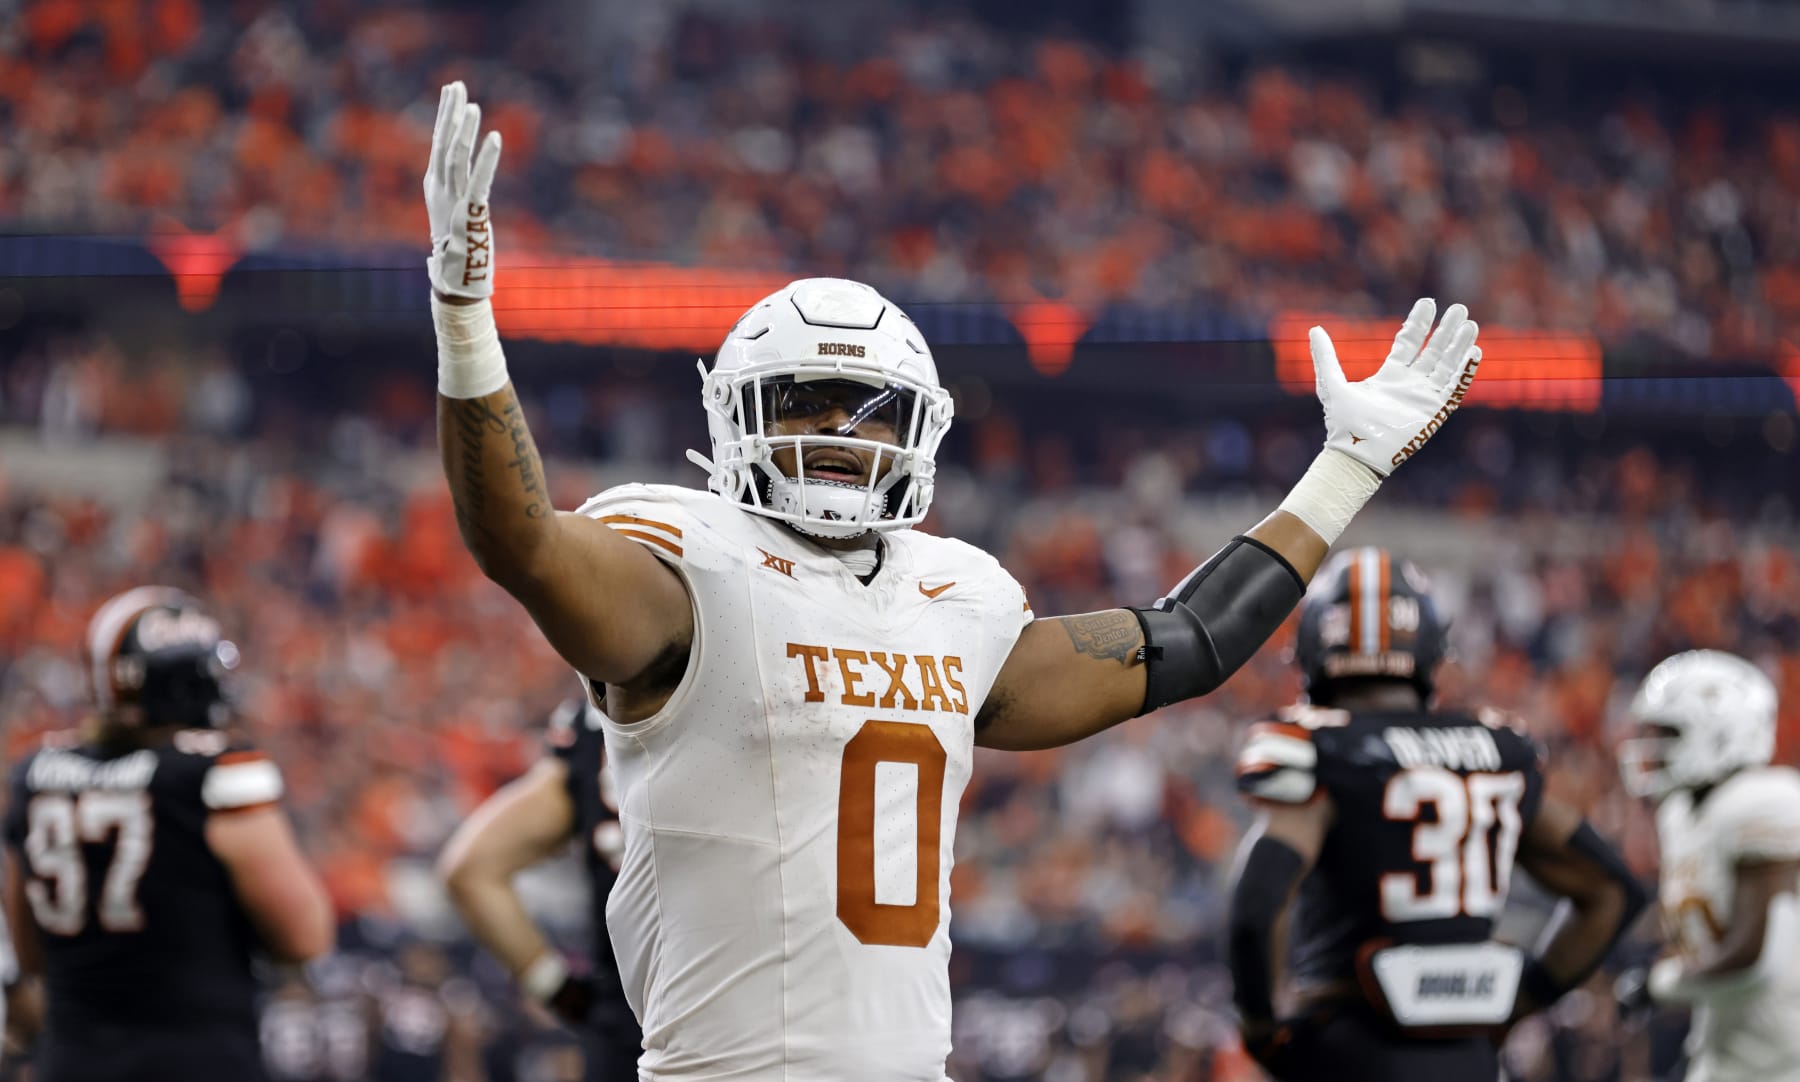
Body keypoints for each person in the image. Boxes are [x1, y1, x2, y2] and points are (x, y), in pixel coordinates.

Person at [422, 79, 1485, 1080]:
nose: (838, 429)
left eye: (868, 408)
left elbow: (1187, 641)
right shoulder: (688, 564)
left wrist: (1346, 468)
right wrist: (467, 323)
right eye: (804, 399)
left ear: (922, 430)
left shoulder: (957, 598)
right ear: (737, 415)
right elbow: (522, 542)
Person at [1227, 548, 1648, 1081]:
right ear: (1428, 647)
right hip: (1467, 1055)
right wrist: (1522, 999)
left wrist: (1261, 1029)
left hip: (1349, 1043)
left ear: (1313, 644)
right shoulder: (1494, 749)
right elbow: (1613, 893)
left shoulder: (1318, 747)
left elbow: (1256, 907)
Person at [1, 586, 334, 1082]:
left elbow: (31, 954)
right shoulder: (219, 774)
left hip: (72, 1061)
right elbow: (303, 937)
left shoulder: (34, 777)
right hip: (196, 1058)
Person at [1613, 650, 1800, 1081]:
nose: (1653, 744)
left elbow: (1758, 959)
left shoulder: (1766, 801)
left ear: (1721, 732)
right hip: (1728, 1050)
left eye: (1669, 731)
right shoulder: (1680, 814)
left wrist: (1658, 985)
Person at [439, 698, 641, 1079]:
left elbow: (470, 869)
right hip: (753, 1014)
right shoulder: (745, 688)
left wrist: (563, 994)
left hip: (630, 1026)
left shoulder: (592, 718)